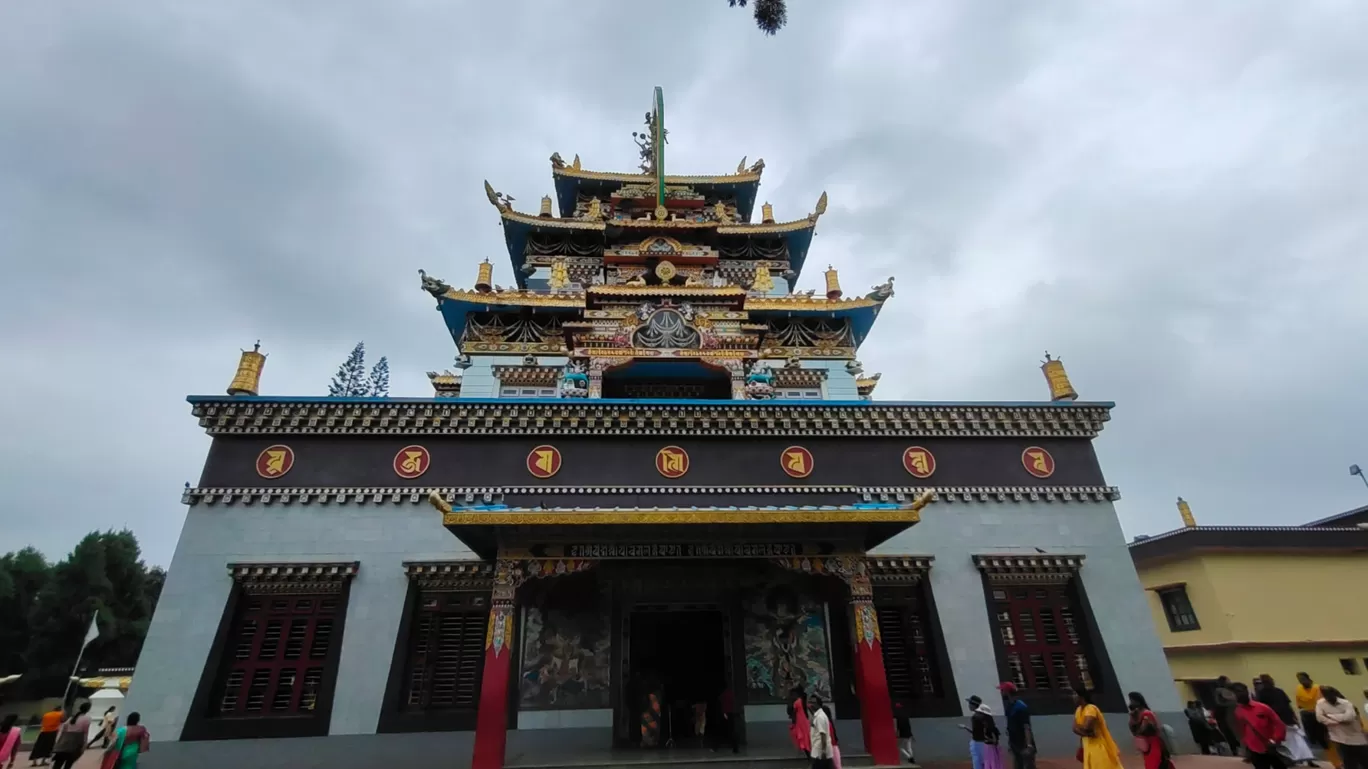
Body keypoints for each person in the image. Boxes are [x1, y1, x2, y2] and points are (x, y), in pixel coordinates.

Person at [1259, 675, 1318, 766]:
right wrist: (1295, 718)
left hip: (1277, 720)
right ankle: (1306, 759)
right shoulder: (1279, 691)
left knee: (1286, 741)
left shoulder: (1262, 693)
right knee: (1297, 739)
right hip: (1287, 718)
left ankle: (1292, 759)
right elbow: (1288, 705)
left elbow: (1263, 709)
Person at [1234, 682, 1288, 769]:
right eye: (1237, 693)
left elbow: (1279, 723)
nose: (1240, 694)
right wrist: (1245, 744)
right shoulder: (1237, 712)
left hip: (1270, 746)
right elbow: (1239, 729)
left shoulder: (1262, 707)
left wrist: (1276, 739)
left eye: (1242, 692)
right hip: (1253, 748)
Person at [1316, 687, 1368, 769]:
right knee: (1349, 762)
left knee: (1364, 759)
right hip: (1339, 738)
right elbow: (1320, 718)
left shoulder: (1346, 703)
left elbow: (1349, 718)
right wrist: (1338, 719)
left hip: (1356, 738)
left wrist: (1330, 716)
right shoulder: (1320, 703)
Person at [1072, 685, 1123, 769]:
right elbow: (1074, 728)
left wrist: (1080, 728)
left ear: (1081, 697)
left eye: (1075, 694)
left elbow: (1086, 727)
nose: (1072, 697)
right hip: (1087, 746)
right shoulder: (1078, 710)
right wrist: (1086, 733)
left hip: (1098, 747)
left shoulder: (1091, 708)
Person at [1129, 692, 1175, 769]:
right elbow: (1134, 731)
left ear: (1138, 701)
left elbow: (1146, 730)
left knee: (1157, 764)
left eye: (1132, 700)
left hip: (1154, 745)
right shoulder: (1136, 714)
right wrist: (1132, 719)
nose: (1130, 703)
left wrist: (1141, 724)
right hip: (1147, 747)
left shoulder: (1147, 713)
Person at [1297, 672, 1335, 764]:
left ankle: (1338, 760)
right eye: (1299, 680)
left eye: (1303, 679)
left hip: (1321, 715)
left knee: (1329, 739)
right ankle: (1334, 762)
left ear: (1308, 679)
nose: (1301, 681)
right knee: (1320, 741)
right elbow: (1299, 704)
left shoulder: (1318, 688)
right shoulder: (1299, 689)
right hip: (1308, 717)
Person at [999, 682, 1035, 769]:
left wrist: (1029, 745)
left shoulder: (1021, 707)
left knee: (1027, 766)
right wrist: (1010, 743)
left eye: (1002, 690)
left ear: (1007, 692)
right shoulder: (1010, 707)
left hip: (1023, 743)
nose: (1001, 692)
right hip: (1014, 743)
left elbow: (1026, 727)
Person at [49, 702, 91, 769]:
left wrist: (58, 741)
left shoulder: (71, 718)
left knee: (58, 762)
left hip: (65, 741)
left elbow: (63, 729)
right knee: (69, 763)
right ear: (88, 709)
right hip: (76, 742)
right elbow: (85, 733)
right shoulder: (87, 719)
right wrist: (84, 745)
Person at [1216, 676, 1246, 755]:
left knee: (1234, 735)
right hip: (1228, 716)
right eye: (1228, 680)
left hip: (1228, 717)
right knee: (1235, 734)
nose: (1230, 681)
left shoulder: (1226, 691)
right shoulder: (1221, 691)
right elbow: (1230, 699)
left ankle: (1238, 750)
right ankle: (1240, 751)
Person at [808, 695, 834, 769]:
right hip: (818, 750)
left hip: (819, 752)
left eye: (813, 702)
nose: (811, 704)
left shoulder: (820, 717)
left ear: (818, 704)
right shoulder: (817, 715)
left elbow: (823, 734)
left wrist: (823, 751)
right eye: (810, 702)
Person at [714, 684, 738, 754]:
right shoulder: (731, 694)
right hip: (731, 713)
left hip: (726, 714)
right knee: (731, 731)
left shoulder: (724, 695)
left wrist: (724, 713)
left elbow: (723, 703)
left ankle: (716, 747)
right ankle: (735, 748)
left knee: (724, 731)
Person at [788, 686, 812, 758]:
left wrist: (793, 723)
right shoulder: (802, 701)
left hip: (800, 723)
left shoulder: (797, 702)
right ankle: (810, 756)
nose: (792, 696)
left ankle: (809, 757)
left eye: (792, 695)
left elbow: (794, 714)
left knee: (802, 739)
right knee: (806, 738)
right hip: (805, 722)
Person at [893, 700, 916, 765]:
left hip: (903, 735)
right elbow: (909, 726)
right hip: (909, 734)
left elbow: (898, 728)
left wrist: (896, 734)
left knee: (899, 747)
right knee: (909, 747)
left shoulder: (898, 718)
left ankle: (909, 757)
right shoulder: (906, 717)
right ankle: (911, 758)